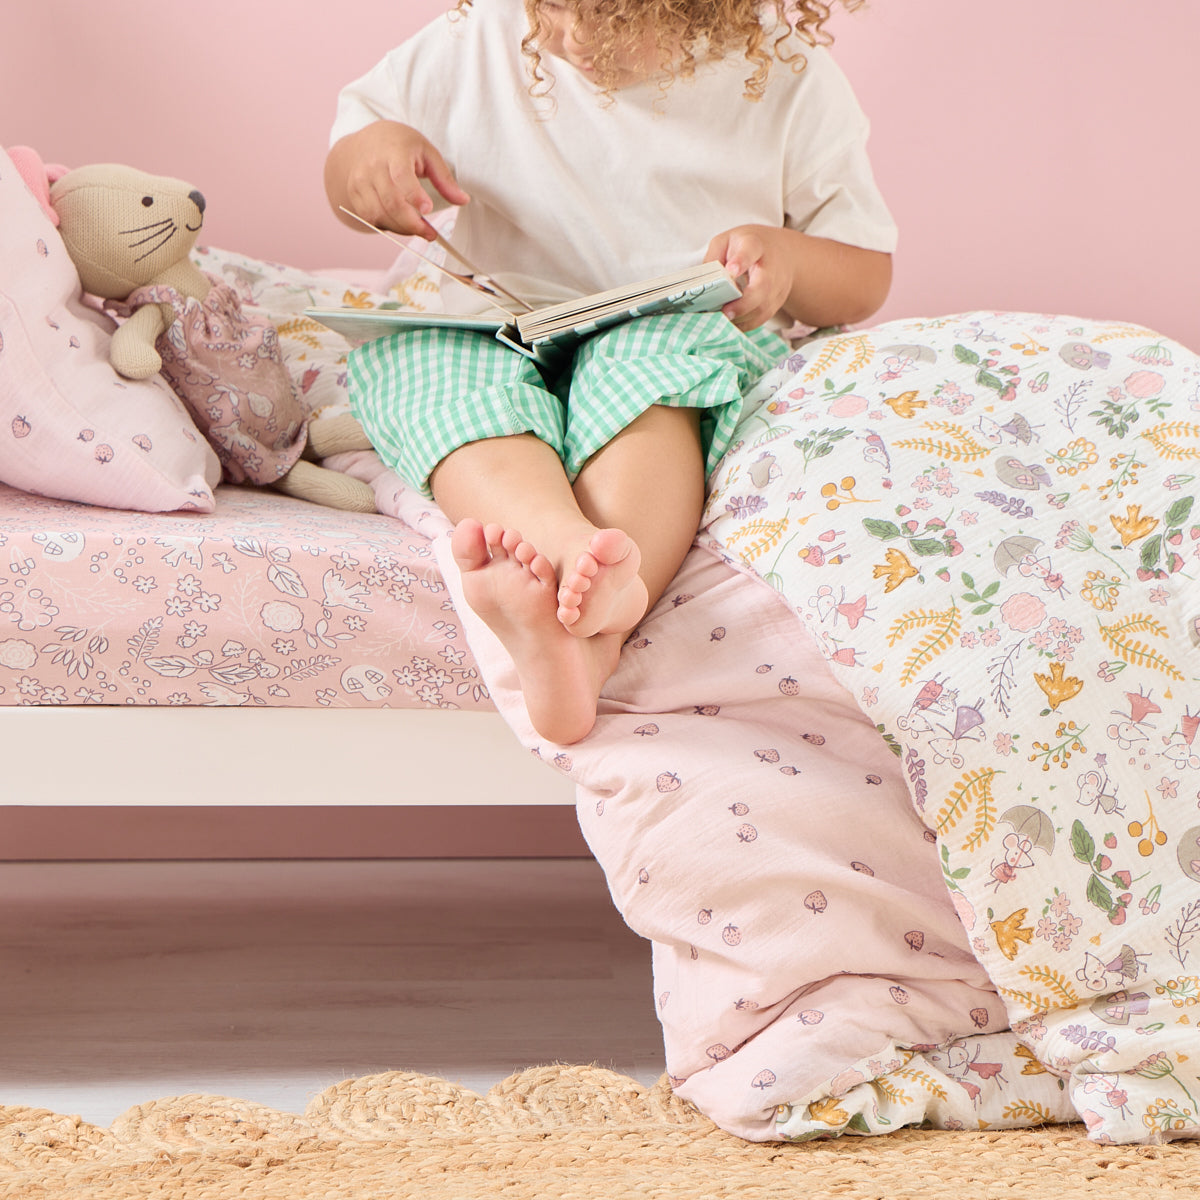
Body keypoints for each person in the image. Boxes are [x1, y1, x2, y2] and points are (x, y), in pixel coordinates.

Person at [325, 0, 895, 744]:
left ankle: (596, 613)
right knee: (426, 369)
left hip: (672, 329)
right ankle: (566, 559)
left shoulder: (781, 72)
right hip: (497, 327)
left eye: (611, 18)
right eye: (553, 10)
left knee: (644, 373)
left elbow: (864, 276)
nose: (571, 40)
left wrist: (787, 260)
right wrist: (371, 162)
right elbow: (347, 171)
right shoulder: (475, 40)